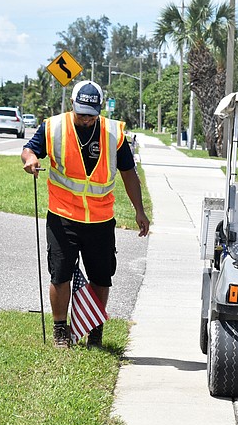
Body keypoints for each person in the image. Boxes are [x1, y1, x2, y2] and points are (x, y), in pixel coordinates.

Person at [21, 80, 150, 349]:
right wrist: (30, 159)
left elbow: (129, 174)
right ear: (72, 106)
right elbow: (29, 148)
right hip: (62, 215)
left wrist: (140, 210)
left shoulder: (114, 134)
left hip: (101, 219)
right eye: (81, 114)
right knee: (60, 274)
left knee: (102, 276)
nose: (86, 120)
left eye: (91, 116)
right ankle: (60, 331)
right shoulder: (53, 127)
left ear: (99, 111)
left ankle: (94, 332)